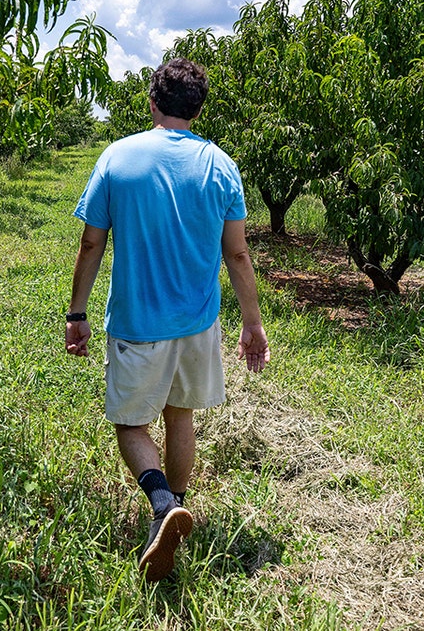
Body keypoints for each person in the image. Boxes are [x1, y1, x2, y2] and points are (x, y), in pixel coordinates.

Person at [64, 57, 270, 582]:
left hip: (138, 323)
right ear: (197, 109)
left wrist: (77, 312)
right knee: (181, 416)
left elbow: (92, 242)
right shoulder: (220, 164)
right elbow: (239, 255)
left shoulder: (119, 158)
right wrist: (253, 323)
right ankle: (175, 507)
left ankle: (161, 507)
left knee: (131, 424)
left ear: (152, 102)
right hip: (198, 324)